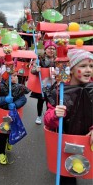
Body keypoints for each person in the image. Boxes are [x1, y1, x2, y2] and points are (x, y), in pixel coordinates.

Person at [44, 49, 93, 185]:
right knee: (68, 176)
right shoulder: (60, 92)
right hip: (66, 141)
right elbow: (47, 120)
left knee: (83, 168)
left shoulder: (92, 89)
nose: (88, 70)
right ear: (71, 69)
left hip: (86, 141)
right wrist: (55, 114)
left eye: (91, 66)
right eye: (83, 66)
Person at [0, 66, 30, 164]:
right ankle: (1, 152)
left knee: (11, 131)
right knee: (1, 135)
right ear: (6, 77)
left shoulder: (19, 88)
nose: (16, 77)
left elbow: (23, 99)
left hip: (13, 115)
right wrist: (4, 100)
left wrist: (15, 104)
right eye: (13, 76)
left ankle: (9, 141)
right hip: (0, 116)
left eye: (16, 75)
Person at [30, 40, 57, 125]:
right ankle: (39, 116)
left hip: (53, 85)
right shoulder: (39, 59)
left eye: (53, 48)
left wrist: (58, 72)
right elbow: (32, 70)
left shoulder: (58, 60)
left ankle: (48, 117)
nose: (51, 50)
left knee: (51, 102)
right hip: (42, 84)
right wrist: (36, 70)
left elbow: (62, 73)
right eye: (49, 48)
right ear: (45, 49)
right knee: (41, 100)